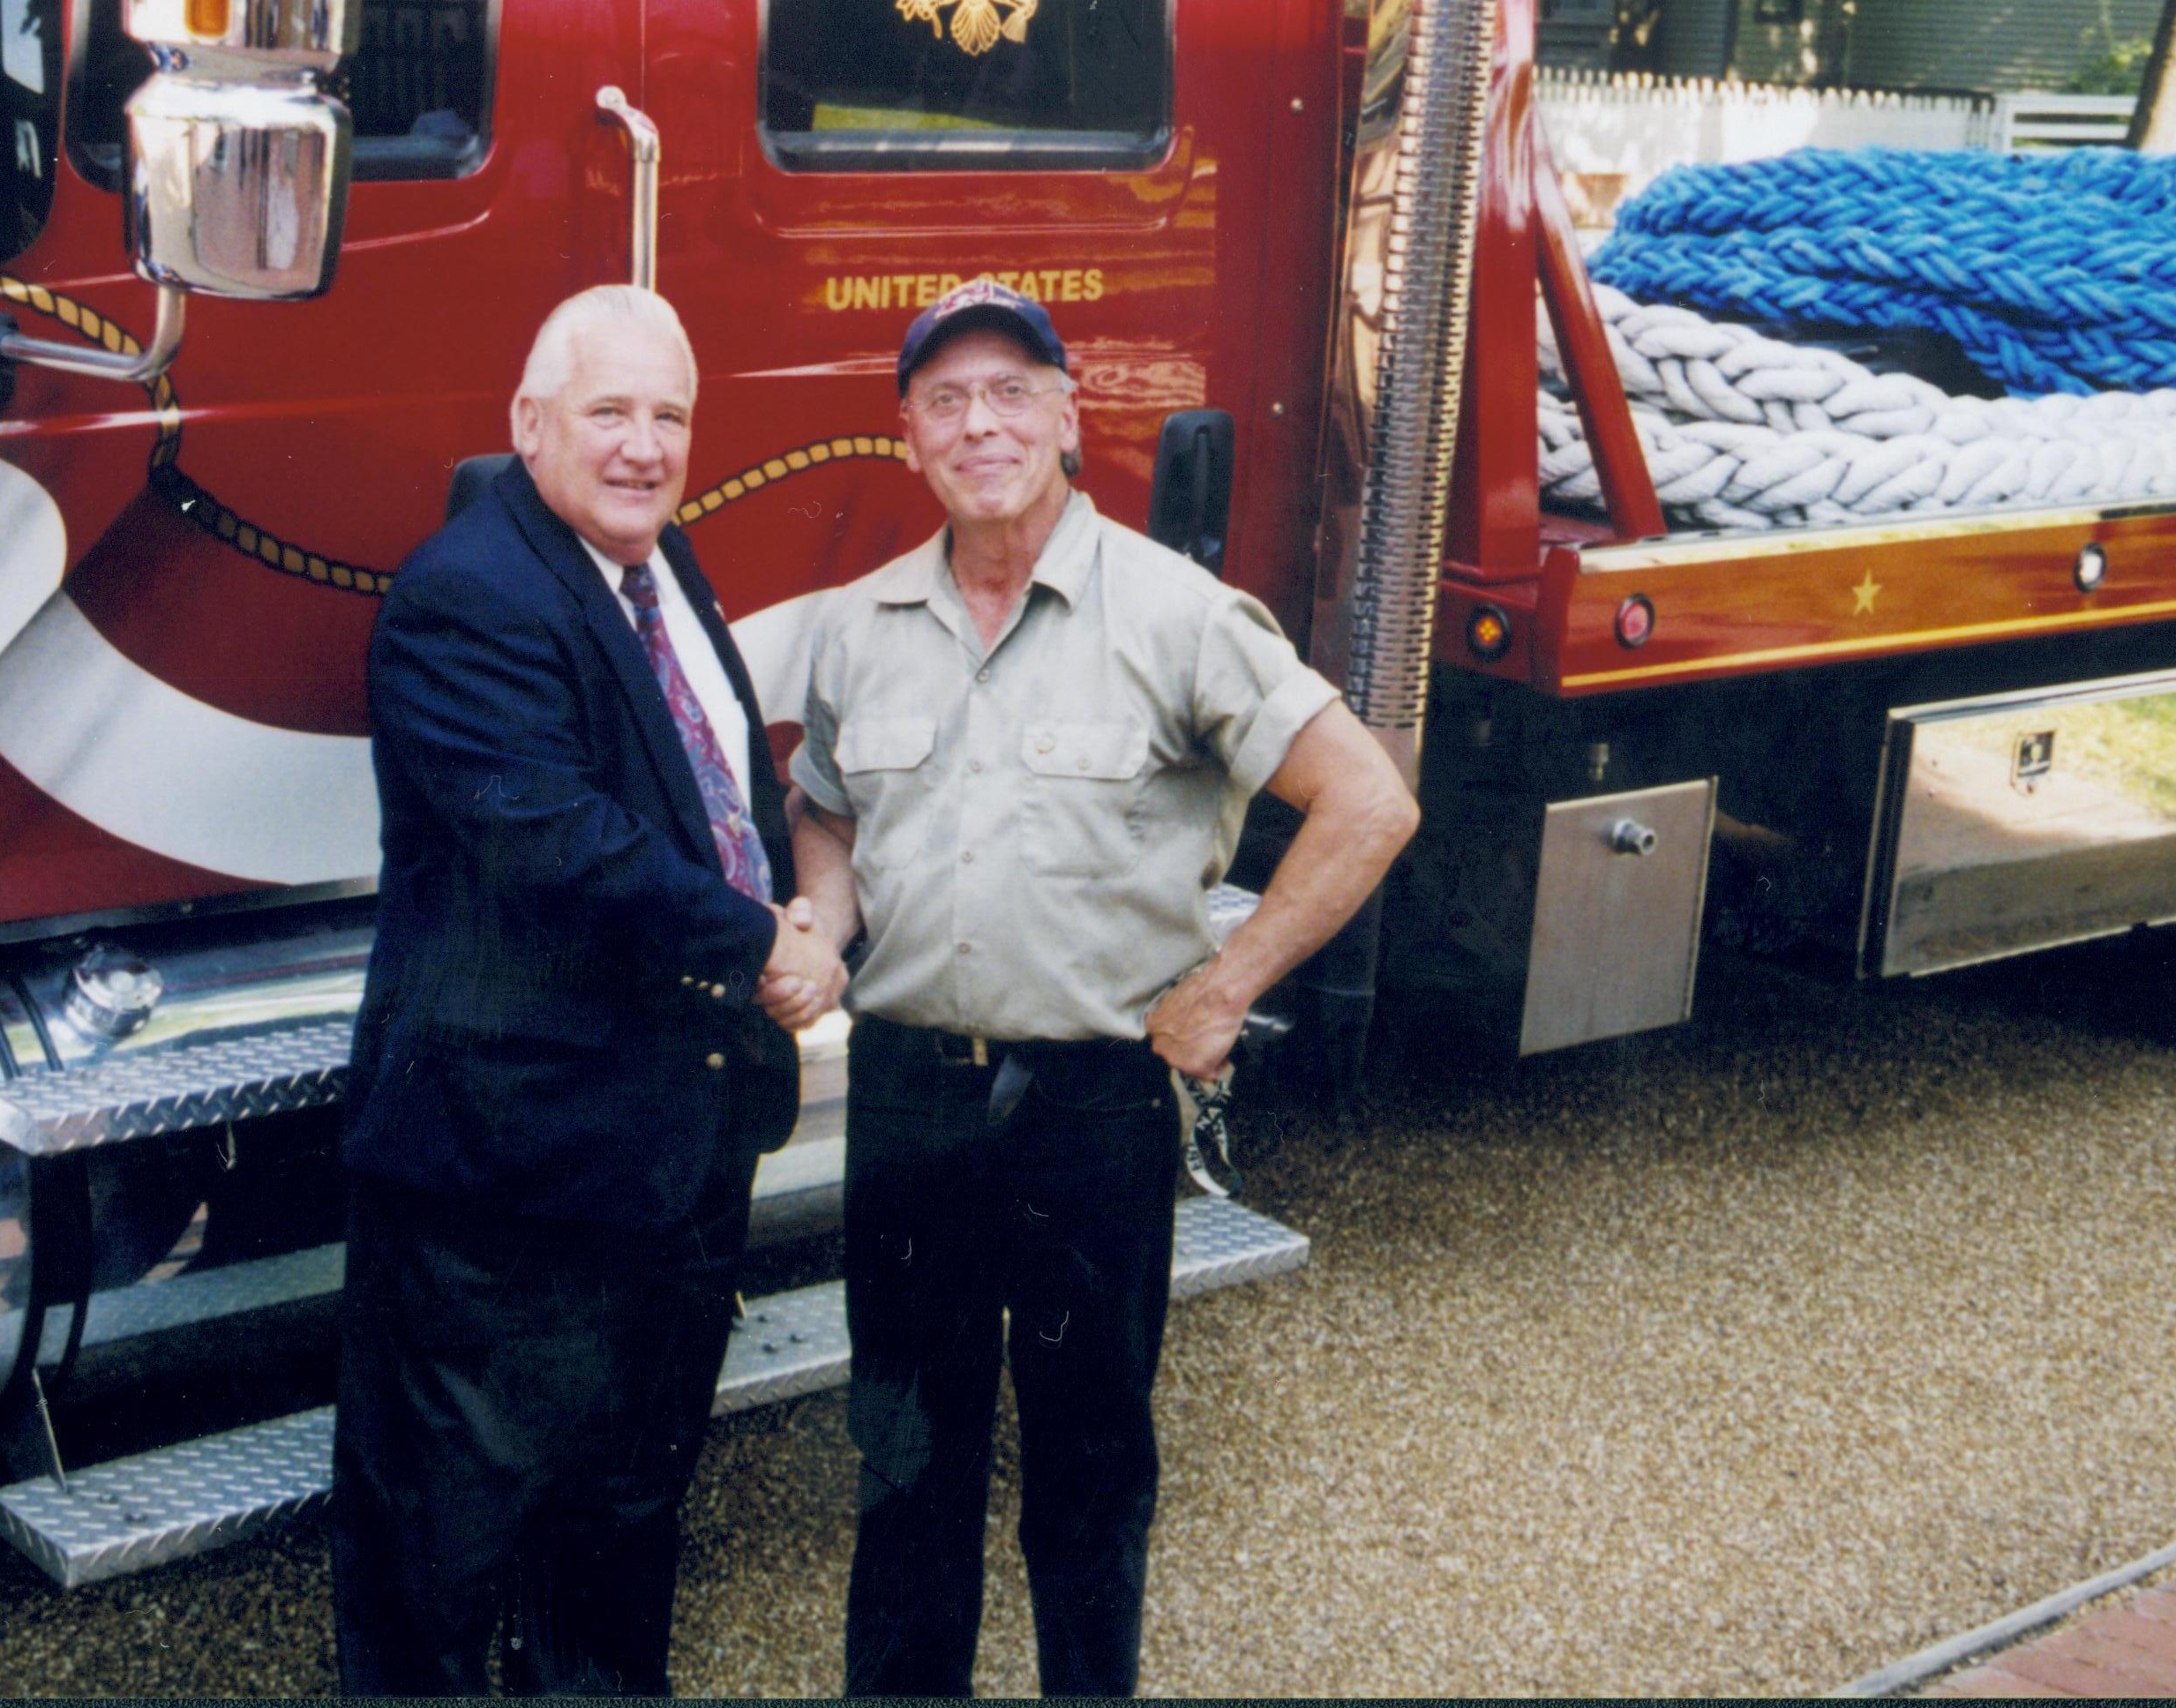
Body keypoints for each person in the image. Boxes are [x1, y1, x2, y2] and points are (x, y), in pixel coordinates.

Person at [772, 279, 1419, 1696]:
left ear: (1069, 413)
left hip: (1089, 1107)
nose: (979, 423)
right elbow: (822, 806)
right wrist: (822, 918)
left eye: (1011, 392)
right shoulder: (860, 624)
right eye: (945, 400)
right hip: (909, 1103)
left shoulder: (1176, 616)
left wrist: (1228, 986)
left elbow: (1368, 802)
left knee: (1086, 1475)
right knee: (901, 1471)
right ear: (907, 436)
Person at [332, 284, 844, 1695]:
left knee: (622, 1526)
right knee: (442, 1554)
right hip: (509, 1168)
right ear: (527, 424)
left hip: (666, 1149)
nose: (641, 446)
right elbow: (553, 841)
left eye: (667, 415)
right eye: (607, 412)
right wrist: (762, 946)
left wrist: (781, 913)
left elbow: (705, 791)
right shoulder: (465, 594)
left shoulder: (658, 558)